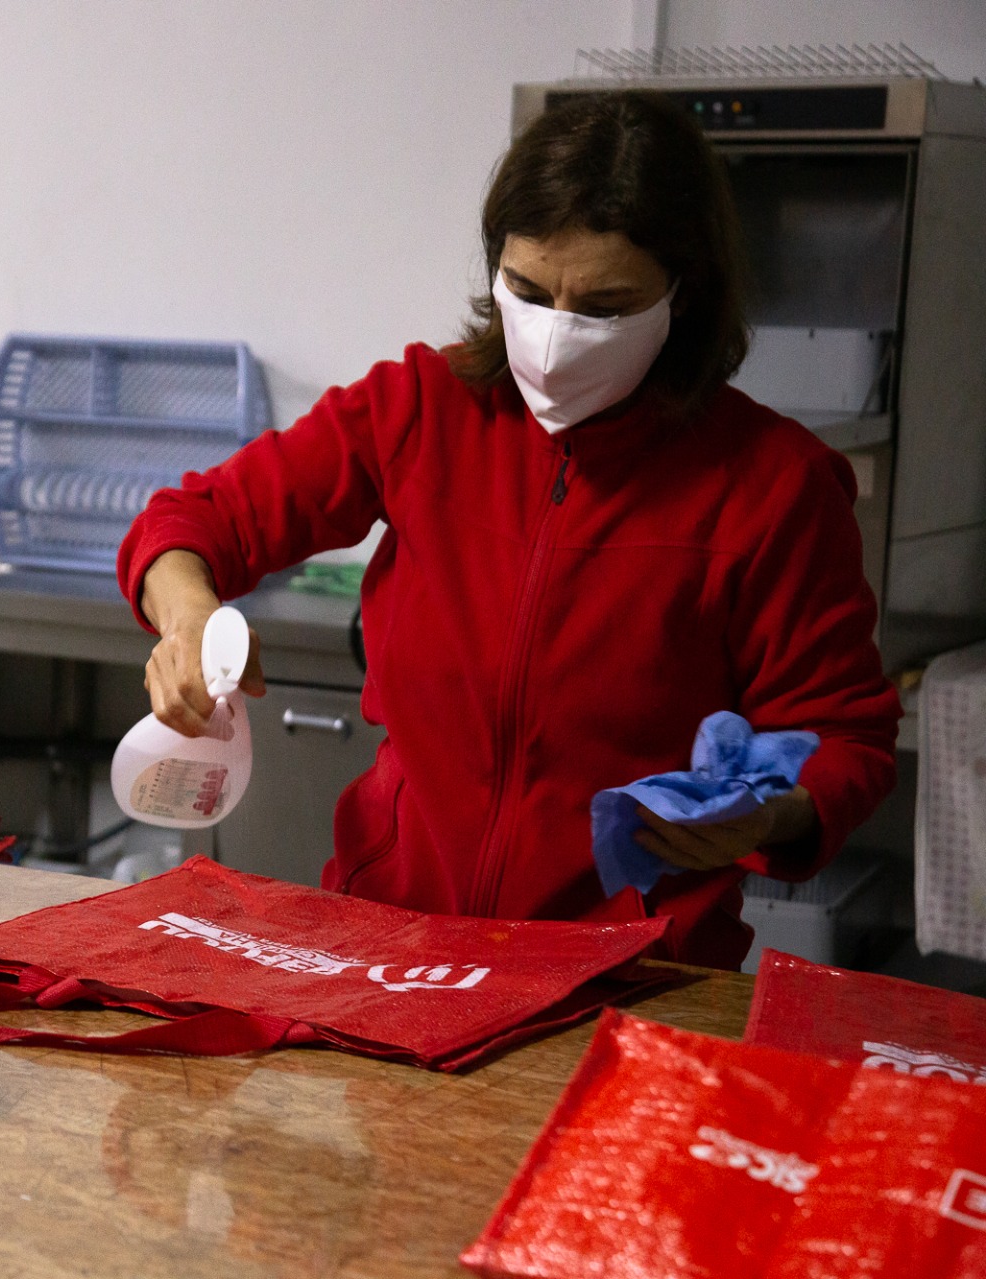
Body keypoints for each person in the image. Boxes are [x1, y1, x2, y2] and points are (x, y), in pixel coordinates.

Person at [122, 90, 899, 970]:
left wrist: (769, 812)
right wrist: (187, 616)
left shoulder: (775, 487)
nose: (559, 335)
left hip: (631, 970)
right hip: (390, 945)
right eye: (529, 292)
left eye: (605, 307)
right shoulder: (420, 407)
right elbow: (191, 521)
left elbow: (846, 736)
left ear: (684, 297)